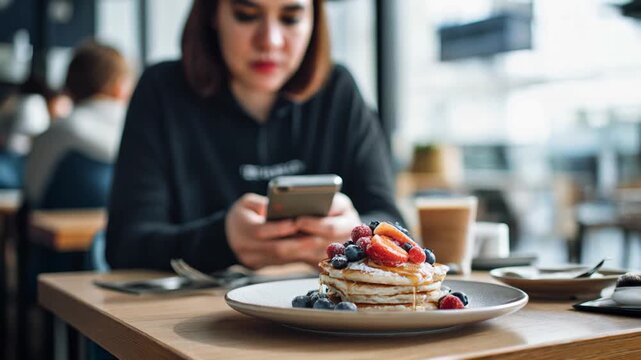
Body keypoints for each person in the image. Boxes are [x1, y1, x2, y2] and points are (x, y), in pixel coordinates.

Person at [106, 0, 403, 272]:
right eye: (246, 15)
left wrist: (356, 234)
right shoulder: (162, 92)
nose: (270, 40)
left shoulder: (338, 90)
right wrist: (222, 240)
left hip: (323, 316)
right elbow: (125, 245)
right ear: (213, 14)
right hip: (187, 322)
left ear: (314, 22)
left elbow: (396, 226)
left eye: (290, 19)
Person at [24, 41, 133, 207]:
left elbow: (32, 195)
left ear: (70, 86)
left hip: (58, 225)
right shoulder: (145, 136)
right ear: (121, 87)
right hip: (126, 229)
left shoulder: (53, 135)